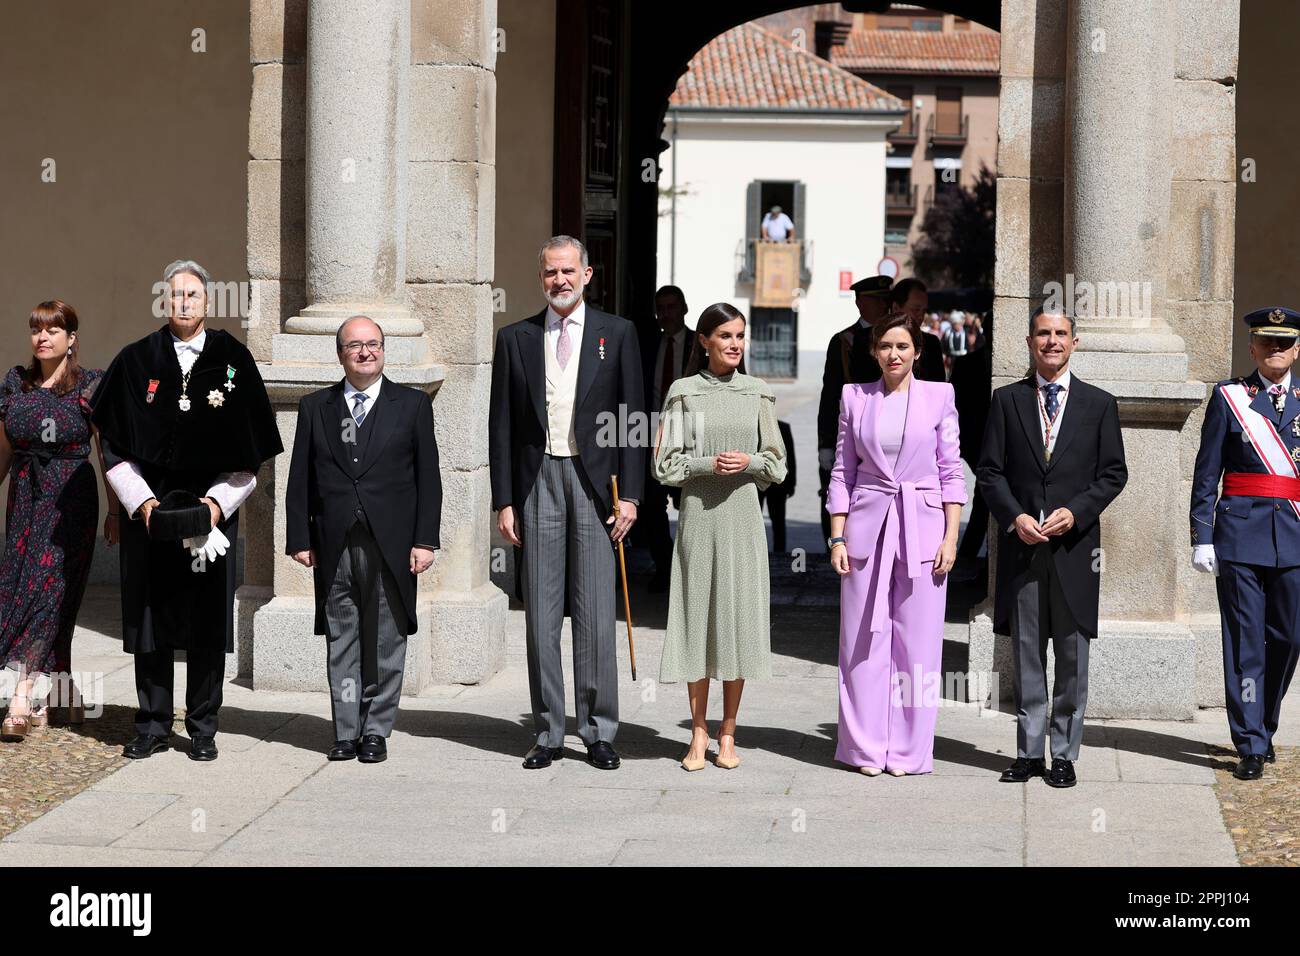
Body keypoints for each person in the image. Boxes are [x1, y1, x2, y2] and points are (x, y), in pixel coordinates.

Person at [91, 259, 282, 761]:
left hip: (209, 521)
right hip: (148, 519)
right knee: (151, 622)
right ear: (163, 300)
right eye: (174, 295)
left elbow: (250, 453)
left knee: (204, 623)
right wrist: (144, 504)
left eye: (192, 295)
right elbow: (112, 446)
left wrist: (216, 506)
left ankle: (202, 727)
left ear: (207, 301)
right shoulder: (135, 361)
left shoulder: (234, 360)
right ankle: (152, 724)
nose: (183, 303)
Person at [489, 236, 645, 771]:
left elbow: (633, 419)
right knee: (539, 616)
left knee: (596, 613)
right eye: (551, 272)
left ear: (587, 274)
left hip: (596, 483)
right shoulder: (515, 338)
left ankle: (598, 730)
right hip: (537, 482)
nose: (560, 280)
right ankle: (549, 731)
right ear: (541, 278)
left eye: (568, 271)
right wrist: (504, 500)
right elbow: (502, 425)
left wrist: (635, 497)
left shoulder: (618, 334)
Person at [977, 307, 1127, 788]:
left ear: (1075, 343)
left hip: (1074, 551)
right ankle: (1028, 752)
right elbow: (990, 472)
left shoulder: (1099, 404)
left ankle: (1063, 753)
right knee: (1026, 654)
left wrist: (1078, 511)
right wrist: (1014, 516)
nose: (1052, 342)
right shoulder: (1007, 401)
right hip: (1023, 549)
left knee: (1070, 654)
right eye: (1043, 333)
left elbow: (1113, 474)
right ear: (1029, 341)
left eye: (1061, 334)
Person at [285, 316, 442, 764]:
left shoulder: (411, 405)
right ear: (340, 354)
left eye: (373, 344)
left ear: (384, 350)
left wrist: (425, 540)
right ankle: (346, 729)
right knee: (342, 635)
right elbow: (301, 479)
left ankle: (376, 729)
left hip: (392, 544)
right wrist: (300, 536)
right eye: (354, 346)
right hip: (333, 542)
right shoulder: (316, 406)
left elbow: (429, 480)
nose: (365, 352)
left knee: (387, 638)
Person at [826, 313, 966, 775]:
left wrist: (951, 536)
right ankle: (864, 748)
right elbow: (843, 471)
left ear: (918, 353)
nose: (893, 354)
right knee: (861, 640)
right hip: (866, 529)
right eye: (885, 346)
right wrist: (838, 535)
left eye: (902, 346)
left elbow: (951, 471)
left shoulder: (940, 396)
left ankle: (907, 751)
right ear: (873, 351)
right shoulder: (854, 397)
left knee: (919, 644)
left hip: (923, 530)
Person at [653, 303, 786, 770]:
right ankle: (697, 735)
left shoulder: (757, 392)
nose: (734, 344)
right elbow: (665, 464)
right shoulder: (685, 393)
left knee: (736, 623)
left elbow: (777, 463)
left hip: (744, 520)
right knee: (697, 623)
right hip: (699, 519)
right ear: (704, 340)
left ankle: (728, 734)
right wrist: (709, 463)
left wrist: (746, 462)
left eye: (740, 336)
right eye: (725, 336)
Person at [1190, 306, 1300, 781]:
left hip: (1295, 535)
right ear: (1252, 347)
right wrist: (1202, 534)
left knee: (1288, 638)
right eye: (1266, 342)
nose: (1275, 350)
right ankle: (1250, 742)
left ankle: (1266, 723)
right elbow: (1207, 470)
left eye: (1285, 343)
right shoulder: (1230, 398)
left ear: (1297, 348)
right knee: (1243, 644)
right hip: (1238, 536)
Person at [0, 302, 117, 742]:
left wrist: (116, 511)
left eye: (53, 329)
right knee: (26, 589)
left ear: (71, 339)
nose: (43, 337)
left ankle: (22, 695)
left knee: (48, 591)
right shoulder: (16, 384)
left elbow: (107, 454)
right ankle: (64, 694)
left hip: (71, 501)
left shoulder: (89, 385)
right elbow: (4, 451)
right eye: (36, 329)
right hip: (25, 500)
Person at [817, 276, 944, 542]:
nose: (892, 354)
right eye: (875, 300)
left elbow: (939, 397)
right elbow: (834, 395)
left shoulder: (929, 345)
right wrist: (826, 445)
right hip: (866, 436)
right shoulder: (856, 341)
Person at [641, 284, 699, 591]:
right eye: (661, 308)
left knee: (690, 502)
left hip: (691, 433)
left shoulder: (698, 345)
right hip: (650, 431)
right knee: (652, 505)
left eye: (672, 307)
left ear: (684, 308)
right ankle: (665, 568)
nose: (667, 314)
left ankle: (691, 571)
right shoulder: (648, 344)